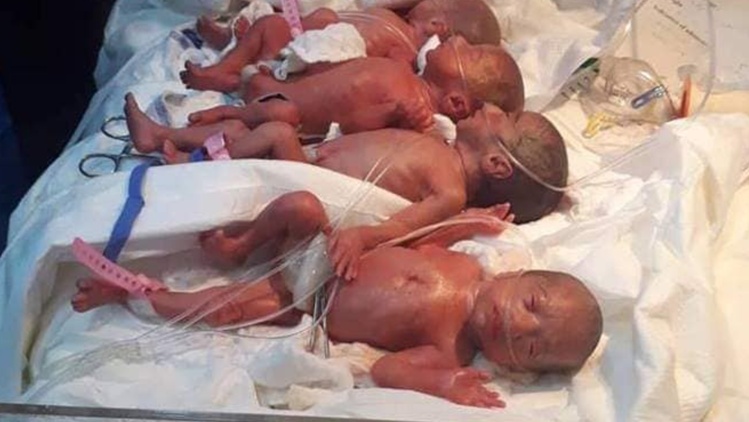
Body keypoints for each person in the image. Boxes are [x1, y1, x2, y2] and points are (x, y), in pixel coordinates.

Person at [71, 191, 603, 409]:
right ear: (521, 275)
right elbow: (412, 235)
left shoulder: (451, 349)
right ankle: (239, 245)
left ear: (517, 368)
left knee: (224, 308)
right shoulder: (466, 263)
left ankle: (136, 294)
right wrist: (466, 222)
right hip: (325, 250)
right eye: (531, 304)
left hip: (303, 297)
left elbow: (389, 371)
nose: (517, 325)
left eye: (530, 347)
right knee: (301, 205)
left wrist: (444, 384)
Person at [124, 96, 568, 278]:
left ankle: (193, 170)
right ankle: (163, 137)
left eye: (506, 119)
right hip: (310, 160)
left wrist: (363, 237)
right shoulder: (438, 141)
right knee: (248, 128)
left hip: (312, 184)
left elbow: (404, 227)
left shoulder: (449, 190)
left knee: (276, 133)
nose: (491, 106)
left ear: (497, 165)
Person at [175, 34, 522, 136]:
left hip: (280, 105)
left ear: (456, 103)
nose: (459, 40)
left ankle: (220, 110)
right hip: (284, 77)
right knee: (272, 26)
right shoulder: (409, 75)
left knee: (270, 113)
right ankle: (225, 67)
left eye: (470, 53)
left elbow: (350, 129)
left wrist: (394, 115)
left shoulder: (412, 116)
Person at [184, 0, 502, 93]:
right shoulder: (393, 17)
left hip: (311, 54)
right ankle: (233, 47)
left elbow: (382, 73)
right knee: (275, 19)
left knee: (272, 26)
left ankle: (230, 69)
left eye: (434, 1)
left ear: (437, 25)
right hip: (300, 34)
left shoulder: (403, 48)